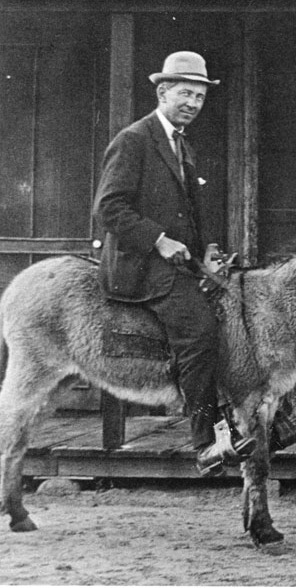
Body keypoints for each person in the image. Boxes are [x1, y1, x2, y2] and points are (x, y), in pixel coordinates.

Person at [94, 51, 250, 477]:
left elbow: (191, 214)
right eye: (185, 93)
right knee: (200, 329)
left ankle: (245, 423)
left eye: (200, 97)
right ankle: (206, 442)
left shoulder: (182, 142)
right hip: (138, 265)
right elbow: (109, 209)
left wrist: (208, 251)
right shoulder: (134, 139)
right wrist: (159, 241)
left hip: (177, 263)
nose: (193, 104)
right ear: (162, 92)